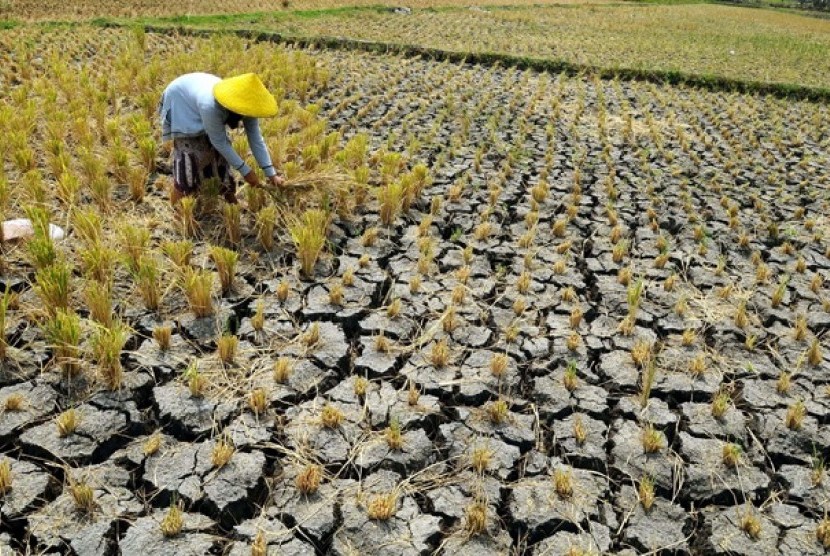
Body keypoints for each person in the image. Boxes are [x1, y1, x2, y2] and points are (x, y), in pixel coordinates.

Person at [159, 72, 284, 205]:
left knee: (220, 159)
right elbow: (219, 141)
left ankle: (231, 202)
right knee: (189, 161)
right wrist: (246, 172)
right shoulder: (210, 105)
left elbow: (256, 139)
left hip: (198, 92)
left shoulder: (248, 104)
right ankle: (178, 209)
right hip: (181, 102)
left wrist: (271, 174)